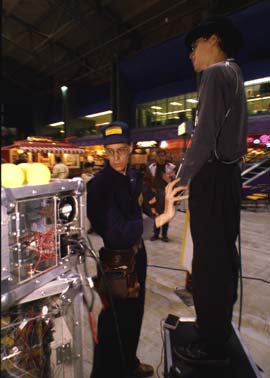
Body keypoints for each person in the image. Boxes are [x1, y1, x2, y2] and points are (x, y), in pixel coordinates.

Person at [173, 16, 248, 366]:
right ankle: (217, 332)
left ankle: (210, 342)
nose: (191, 56)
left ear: (213, 40)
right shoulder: (236, 73)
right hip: (228, 178)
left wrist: (183, 177)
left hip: (213, 178)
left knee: (208, 265)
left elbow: (204, 137)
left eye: (193, 47)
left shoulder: (217, 74)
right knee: (221, 259)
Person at [87, 121, 185, 378]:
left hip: (137, 256)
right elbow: (114, 231)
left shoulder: (133, 177)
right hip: (115, 263)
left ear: (130, 148)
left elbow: (147, 204)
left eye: (121, 149)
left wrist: (165, 199)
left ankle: (129, 363)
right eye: (110, 151)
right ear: (104, 151)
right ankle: (104, 374)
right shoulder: (98, 186)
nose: (116, 157)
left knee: (135, 315)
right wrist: (159, 221)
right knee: (113, 325)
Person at [148, 148, 176, 242]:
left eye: (162, 155)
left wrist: (168, 180)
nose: (160, 157)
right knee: (156, 213)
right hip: (155, 193)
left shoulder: (170, 167)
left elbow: (174, 181)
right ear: (155, 156)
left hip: (166, 194)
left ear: (165, 156)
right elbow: (148, 180)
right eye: (158, 155)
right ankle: (155, 234)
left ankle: (164, 235)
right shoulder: (151, 166)